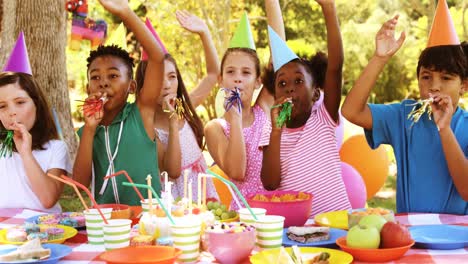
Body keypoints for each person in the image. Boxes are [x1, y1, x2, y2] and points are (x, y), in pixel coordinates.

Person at [341, 9, 468, 214]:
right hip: (409, 234)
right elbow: (351, 111)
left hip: (457, 239)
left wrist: (444, 129)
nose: (434, 86)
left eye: (446, 78)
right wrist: (380, 58)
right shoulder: (404, 115)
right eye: (426, 77)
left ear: (464, 86)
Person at [260, 0, 351, 216]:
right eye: (282, 83)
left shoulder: (324, 117)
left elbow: (335, 68)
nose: (289, 88)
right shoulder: (271, 129)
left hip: (340, 224)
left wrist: (329, 9)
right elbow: (270, 183)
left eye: (298, 81)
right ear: (274, 95)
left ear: (316, 94)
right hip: (299, 230)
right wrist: (276, 130)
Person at [73, 0, 165, 205]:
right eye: (95, 78)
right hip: (107, 222)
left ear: (132, 87)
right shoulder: (87, 131)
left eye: (113, 76)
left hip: (148, 220)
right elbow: (79, 184)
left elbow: (158, 58)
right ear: (88, 88)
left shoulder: (142, 113)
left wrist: (126, 13)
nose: (103, 83)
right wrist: (89, 129)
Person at [204, 0, 283, 209]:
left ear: (258, 81)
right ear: (221, 80)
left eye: (246, 72)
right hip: (244, 218)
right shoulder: (215, 128)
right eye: (231, 72)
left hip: (279, 210)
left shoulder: (264, 109)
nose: (238, 79)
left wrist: (271, 3)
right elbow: (237, 172)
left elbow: (280, 58)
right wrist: (236, 118)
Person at [135, 11, 219, 201]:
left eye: (171, 76)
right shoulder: (148, 127)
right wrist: (173, 125)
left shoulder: (184, 107)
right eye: (157, 78)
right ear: (143, 85)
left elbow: (213, 74)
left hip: (204, 198)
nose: (166, 84)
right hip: (177, 204)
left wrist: (204, 33)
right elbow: (172, 171)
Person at [0, 70, 71, 213]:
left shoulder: (56, 148)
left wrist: (26, 153)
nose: (11, 112)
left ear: (37, 105)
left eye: (20, 102)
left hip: (43, 229)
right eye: (2, 106)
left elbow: (48, 199)